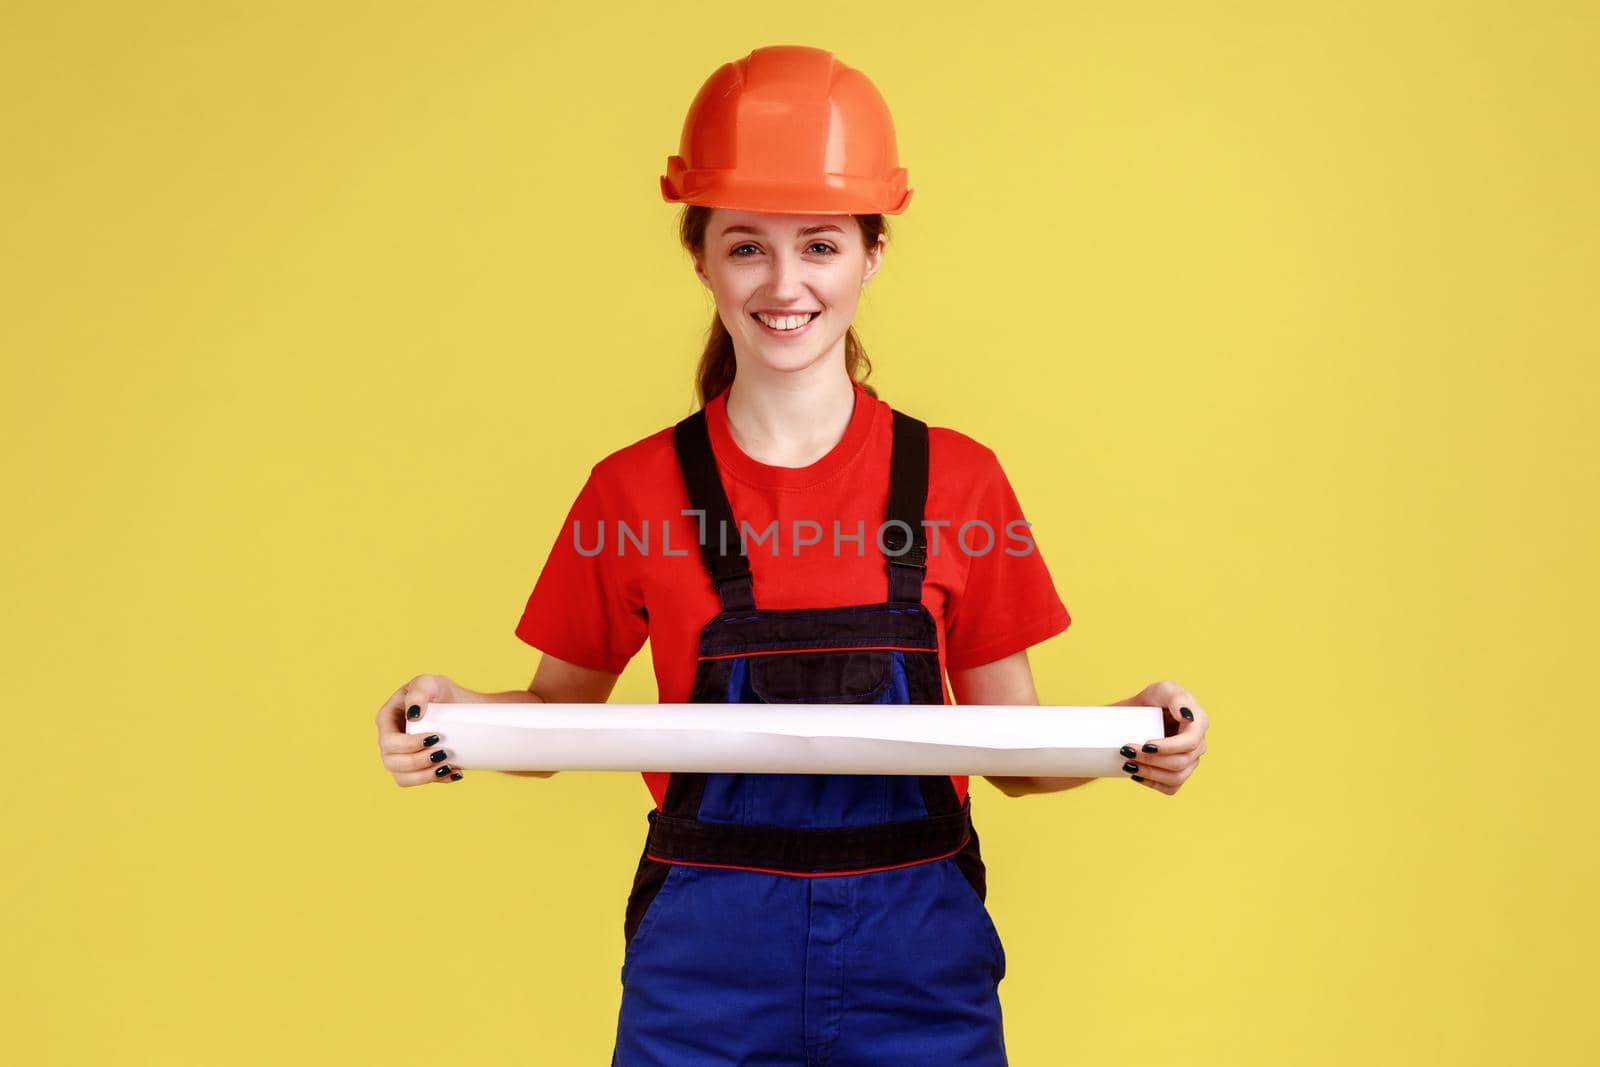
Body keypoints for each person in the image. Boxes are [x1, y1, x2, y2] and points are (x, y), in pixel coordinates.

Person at [373, 45, 1211, 1065]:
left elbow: (1013, 753)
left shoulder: (960, 482)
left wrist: (1133, 729)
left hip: (919, 978)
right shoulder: (633, 492)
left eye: (819, 244)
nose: (784, 284)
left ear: (871, 254)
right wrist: (450, 714)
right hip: (704, 984)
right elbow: (557, 719)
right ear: (700, 259)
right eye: (745, 247)